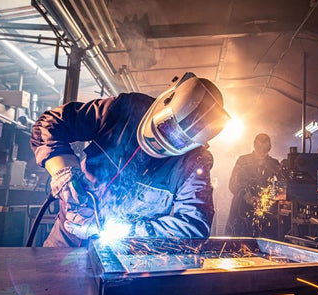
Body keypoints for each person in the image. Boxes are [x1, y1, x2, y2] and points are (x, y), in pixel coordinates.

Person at [31, 72, 230, 247]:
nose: (162, 144)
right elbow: (50, 123)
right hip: (65, 239)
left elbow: (192, 227)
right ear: (165, 102)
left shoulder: (194, 161)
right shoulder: (124, 109)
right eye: (166, 128)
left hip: (124, 256)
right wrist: (63, 171)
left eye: (179, 142)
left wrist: (118, 231)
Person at [225, 133, 281, 238]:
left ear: (270, 148)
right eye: (259, 147)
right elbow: (233, 184)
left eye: (265, 148)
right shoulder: (243, 161)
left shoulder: (274, 164)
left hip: (266, 212)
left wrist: (271, 199)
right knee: (238, 244)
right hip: (241, 211)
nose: (262, 151)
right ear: (254, 145)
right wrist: (247, 197)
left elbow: (279, 187)